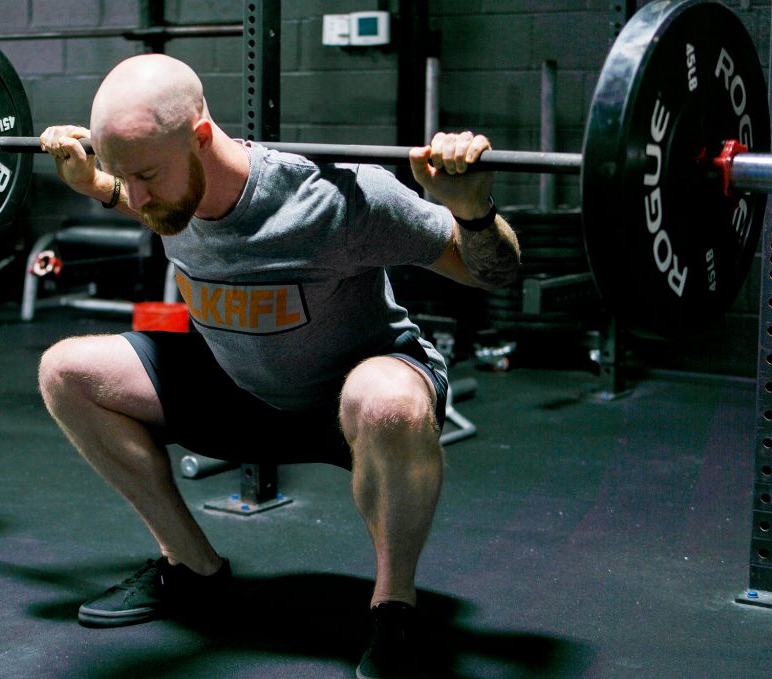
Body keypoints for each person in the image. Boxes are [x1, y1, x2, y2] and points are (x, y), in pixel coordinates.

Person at [38, 53, 519, 679]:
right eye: (122, 176)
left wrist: (471, 210)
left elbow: (496, 274)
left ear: (201, 138)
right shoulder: (162, 190)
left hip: (347, 396)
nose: (135, 195)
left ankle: (393, 609)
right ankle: (192, 569)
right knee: (66, 371)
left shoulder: (336, 199)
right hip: (238, 382)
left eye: (145, 175)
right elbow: (152, 201)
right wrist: (95, 185)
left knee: (390, 401)